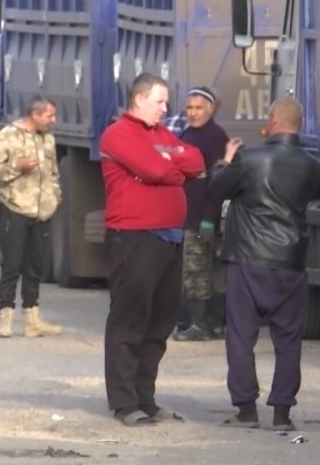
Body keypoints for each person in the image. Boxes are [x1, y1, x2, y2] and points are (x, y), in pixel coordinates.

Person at [208, 98, 320, 431]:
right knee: (288, 339)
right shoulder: (313, 166)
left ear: (272, 119)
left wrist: (225, 161)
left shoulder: (250, 159)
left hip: (248, 258)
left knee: (241, 336)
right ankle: (282, 413)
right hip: (291, 260)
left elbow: (217, 189)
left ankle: (246, 409)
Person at [100, 72, 205, 426]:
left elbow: (196, 162)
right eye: (159, 101)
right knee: (129, 320)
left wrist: (168, 162)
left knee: (159, 323)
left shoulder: (161, 134)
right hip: (135, 237)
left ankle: (145, 398)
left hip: (170, 237)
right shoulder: (118, 134)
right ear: (139, 99)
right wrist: (171, 165)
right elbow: (155, 169)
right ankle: (124, 402)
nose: (165, 108)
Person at [0, 96, 64, 339]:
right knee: (12, 265)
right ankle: (6, 317)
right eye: (49, 116)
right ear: (35, 115)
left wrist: (55, 197)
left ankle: (32, 318)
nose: (53, 120)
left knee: (35, 266)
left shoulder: (48, 138)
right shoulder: (8, 135)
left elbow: (53, 172)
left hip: (42, 211)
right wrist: (16, 166)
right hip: (16, 208)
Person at [166, 87, 230, 342]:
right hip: (185, 214)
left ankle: (202, 323)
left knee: (197, 270)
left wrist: (209, 218)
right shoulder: (187, 134)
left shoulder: (214, 138)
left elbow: (218, 182)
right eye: (189, 108)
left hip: (200, 215)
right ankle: (190, 320)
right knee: (189, 269)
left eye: (199, 108)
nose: (193, 113)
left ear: (210, 109)